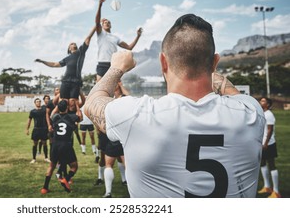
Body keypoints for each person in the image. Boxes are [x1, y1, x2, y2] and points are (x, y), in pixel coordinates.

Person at [84, 13, 265, 198]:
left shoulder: (139, 115)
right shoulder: (251, 113)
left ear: (163, 62)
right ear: (215, 63)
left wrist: (116, 67)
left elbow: (91, 104)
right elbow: (233, 94)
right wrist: (206, 65)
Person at [35, 27, 96, 106]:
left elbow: (88, 38)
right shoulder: (67, 59)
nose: (73, 43)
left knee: (73, 102)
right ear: (69, 48)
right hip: (66, 81)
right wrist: (42, 61)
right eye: (71, 44)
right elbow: (54, 64)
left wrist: (96, 25)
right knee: (63, 101)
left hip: (76, 81)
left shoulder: (80, 52)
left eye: (74, 43)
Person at [95, 0, 143, 81]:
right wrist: (100, 5)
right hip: (102, 64)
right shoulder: (100, 33)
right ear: (101, 25)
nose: (107, 23)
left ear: (111, 25)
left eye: (109, 22)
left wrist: (138, 36)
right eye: (105, 22)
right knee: (99, 88)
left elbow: (129, 47)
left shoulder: (115, 38)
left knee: (116, 89)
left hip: (113, 64)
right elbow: (97, 21)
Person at [41, 99, 82, 194]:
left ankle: (44, 188)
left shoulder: (55, 117)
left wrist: (57, 106)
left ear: (58, 108)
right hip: (66, 144)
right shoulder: (72, 117)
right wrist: (77, 106)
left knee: (52, 166)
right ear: (67, 108)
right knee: (74, 166)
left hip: (55, 144)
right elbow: (80, 117)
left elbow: (52, 114)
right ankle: (66, 179)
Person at [257, 97, 281, 198]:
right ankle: (267, 186)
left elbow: (270, 130)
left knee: (271, 165)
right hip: (262, 143)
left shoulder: (269, 115)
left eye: (263, 101)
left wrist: (266, 143)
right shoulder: (262, 113)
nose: (260, 102)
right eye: (260, 100)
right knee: (262, 163)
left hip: (269, 144)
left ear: (267, 104)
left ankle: (276, 191)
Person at [25, 98, 50, 164]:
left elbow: (48, 117)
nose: (38, 103)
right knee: (35, 144)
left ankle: (46, 158)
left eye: (39, 102)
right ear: (35, 103)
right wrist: (27, 129)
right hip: (36, 129)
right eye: (37, 102)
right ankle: (34, 158)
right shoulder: (32, 111)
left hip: (43, 129)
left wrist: (49, 126)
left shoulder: (44, 110)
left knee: (45, 143)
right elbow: (29, 120)